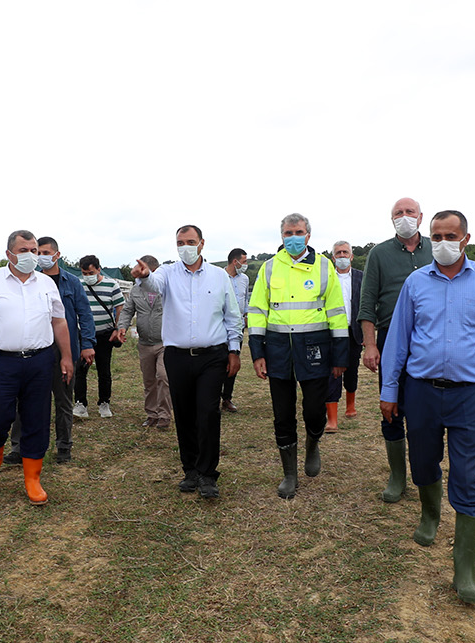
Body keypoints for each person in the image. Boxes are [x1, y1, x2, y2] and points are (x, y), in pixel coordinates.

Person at [380, 210, 475, 605]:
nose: (442, 242)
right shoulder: (415, 282)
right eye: (435, 235)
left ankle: (464, 569)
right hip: (421, 391)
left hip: (470, 395)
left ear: (466, 239)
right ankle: (429, 513)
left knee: (466, 475)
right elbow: (398, 342)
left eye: (449, 235)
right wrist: (390, 390)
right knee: (422, 463)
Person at [0, 230, 75, 505]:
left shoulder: (47, 284)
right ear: (9, 254)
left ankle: (33, 477)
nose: (30, 256)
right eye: (24, 250)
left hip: (39, 361)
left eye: (34, 250)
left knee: (37, 417)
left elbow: (59, 322)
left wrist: (66, 356)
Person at [131, 226, 243, 500]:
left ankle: (208, 474)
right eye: (180, 242)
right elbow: (153, 284)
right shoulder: (167, 273)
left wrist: (234, 350)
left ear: (202, 244)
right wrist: (145, 276)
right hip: (178, 356)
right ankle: (190, 470)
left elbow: (232, 316)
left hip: (212, 356)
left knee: (207, 411)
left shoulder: (218, 277)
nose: (185, 247)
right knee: (184, 413)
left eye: (190, 242)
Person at [248, 213, 349, 499]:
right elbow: (256, 312)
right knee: (283, 414)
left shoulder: (324, 267)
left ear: (308, 235)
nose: (294, 237)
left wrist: (341, 355)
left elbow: (337, 313)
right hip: (278, 350)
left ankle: (313, 442)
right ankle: (289, 474)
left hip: (315, 349)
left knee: (315, 411)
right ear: (281, 236)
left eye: (299, 232)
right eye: (288, 233)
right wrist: (257, 352)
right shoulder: (268, 268)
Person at [357, 196, 433, 503]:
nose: (404, 217)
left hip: (430, 338)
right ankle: (397, 476)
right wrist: (370, 344)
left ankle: (424, 473)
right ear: (392, 220)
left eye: (409, 212)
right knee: (391, 406)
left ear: (421, 216)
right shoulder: (379, 253)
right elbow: (367, 301)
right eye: (398, 213)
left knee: (425, 407)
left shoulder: (437, 248)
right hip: (390, 338)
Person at [3, 236, 95, 465]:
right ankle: (19, 447)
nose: (40, 257)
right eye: (38, 252)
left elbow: (84, 314)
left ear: (57, 255)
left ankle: (64, 446)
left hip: (65, 351)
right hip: (34, 351)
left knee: (63, 401)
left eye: (45, 253)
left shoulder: (72, 282)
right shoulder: (29, 281)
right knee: (25, 400)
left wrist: (87, 344)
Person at [74, 255, 125, 419]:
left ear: (98, 269)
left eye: (90, 272)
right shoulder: (78, 284)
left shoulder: (111, 284)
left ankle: (104, 402)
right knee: (80, 370)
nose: (87, 276)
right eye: (84, 273)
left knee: (104, 370)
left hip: (104, 334)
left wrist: (117, 328)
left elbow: (119, 308)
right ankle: (80, 403)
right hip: (83, 334)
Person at [125, 255, 171, 429]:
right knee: (149, 381)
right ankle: (152, 414)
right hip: (145, 343)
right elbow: (128, 310)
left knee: (163, 377)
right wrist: (121, 328)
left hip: (164, 342)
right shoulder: (136, 291)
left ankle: (165, 416)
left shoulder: (165, 290)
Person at [325, 240, 363, 429]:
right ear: (333, 257)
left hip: (353, 331)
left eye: (345, 252)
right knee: (332, 372)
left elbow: (367, 305)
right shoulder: (327, 277)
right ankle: (331, 418)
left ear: (351, 256)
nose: (342, 256)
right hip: (331, 332)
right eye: (338, 253)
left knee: (352, 370)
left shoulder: (361, 277)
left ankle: (350, 406)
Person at [221, 248, 251, 412]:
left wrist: (246, 315)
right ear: (235, 261)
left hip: (238, 325)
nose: (245, 265)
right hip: (220, 324)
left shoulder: (244, 279)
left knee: (234, 361)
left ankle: (227, 398)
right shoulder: (219, 277)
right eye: (244, 261)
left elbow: (245, 298)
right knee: (218, 360)